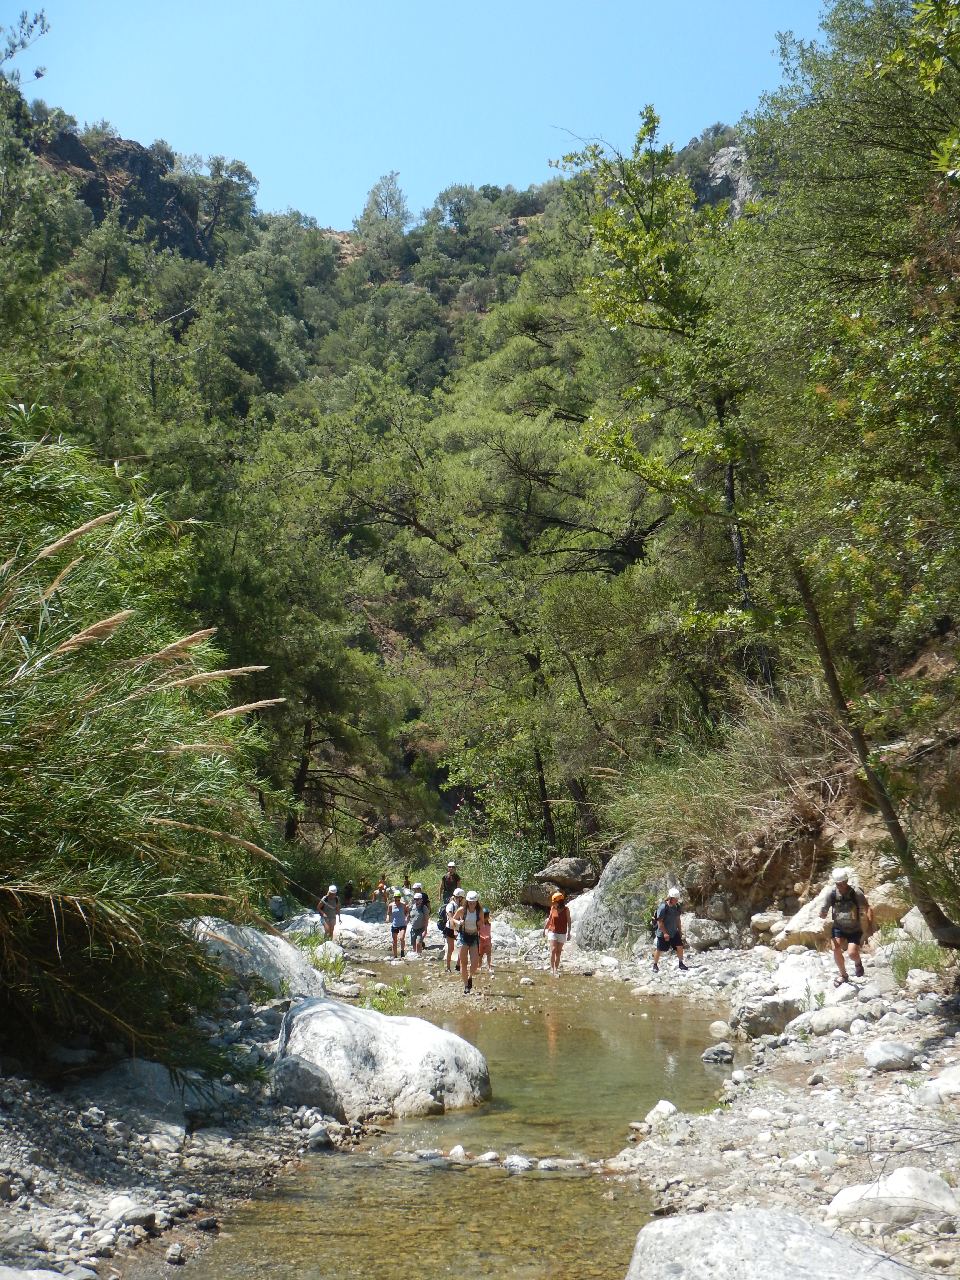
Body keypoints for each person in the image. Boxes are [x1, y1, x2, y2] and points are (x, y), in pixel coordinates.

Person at [820, 867, 874, 985]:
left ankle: (858, 963)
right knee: (835, 948)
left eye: (843, 883)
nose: (841, 886)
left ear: (847, 881)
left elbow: (867, 907)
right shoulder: (831, 893)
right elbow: (824, 909)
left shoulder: (856, 893)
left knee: (852, 953)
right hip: (838, 927)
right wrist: (822, 914)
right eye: (838, 884)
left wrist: (870, 925)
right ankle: (843, 975)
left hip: (855, 928)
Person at [652, 886, 688, 973]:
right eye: (675, 899)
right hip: (662, 933)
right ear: (670, 898)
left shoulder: (677, 907)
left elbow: (678, 919)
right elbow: (660, 922)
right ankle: (655, 965)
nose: (677, 900)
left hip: (674, 932)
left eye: (677, 899)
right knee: (659, 949)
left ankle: (681, 963)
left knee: (680, 946)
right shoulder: (663, 907)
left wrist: (679, 930)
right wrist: (665, 933)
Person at [452, 889, 482, 993]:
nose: (472, 905)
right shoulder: (462, 910)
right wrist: (458, 922)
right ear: (467, 901)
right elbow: (453, 919)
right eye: (470, 902)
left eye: (474, 903)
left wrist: (479, 923)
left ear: (476, 902)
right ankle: (466, 986)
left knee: (475, 963)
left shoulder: (479, 911)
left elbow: (482, 922)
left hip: (474, 937)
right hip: (463, 937)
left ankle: (470, 977)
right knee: (463, 963)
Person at [543, 891, 571, 976]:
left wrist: (569, 932)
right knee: (553, 950)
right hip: (553, 931)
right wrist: (544, 929)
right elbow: (549, 919)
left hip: (562, 933)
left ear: (559, 901)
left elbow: (569, 921)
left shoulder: (566, 910)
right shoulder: (553, 908)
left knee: (558, 952)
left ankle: (556, 968)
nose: (553, 903)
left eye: (554, 901)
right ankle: (552, 969)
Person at [441, 887, 464, 971]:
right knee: (451, 949)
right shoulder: (450, 906)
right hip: (450, 929)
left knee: (461, 947)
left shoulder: (460, 906)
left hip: (459, 929)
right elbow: (451, 919)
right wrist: (454, 930)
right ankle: (448, 967)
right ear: (460, 897)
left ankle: (458, 965)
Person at [388, 890, 408, 959]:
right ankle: (395, 955)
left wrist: (406, 918)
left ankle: (402, 952)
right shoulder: (391, 905)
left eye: (398, 898)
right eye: (396, 898)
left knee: (401, 938)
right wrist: (388, 918)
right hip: (395, 924)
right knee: (394, 941)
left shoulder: (403, 904)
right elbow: (388, 913)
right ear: (394, 898)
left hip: (402, 924)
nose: (397, 900)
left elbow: (407, 912)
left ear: (400, 898)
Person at [478, 906, 494, 974]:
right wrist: (481, 937)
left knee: (488, 954)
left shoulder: (489, 924)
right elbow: (478, 932)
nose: (485, 918)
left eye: (486, 916)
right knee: (480, 955)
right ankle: (479, 966)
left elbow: (488, 932)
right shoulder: (479, 924)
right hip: (481, 941)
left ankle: (489, 967)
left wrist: (488, 937)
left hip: (487, 941)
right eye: (484, 916)